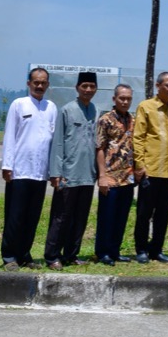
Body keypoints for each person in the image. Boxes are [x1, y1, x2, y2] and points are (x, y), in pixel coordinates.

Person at [0, 67, 57, 270]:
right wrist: (7, 165)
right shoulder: (19, 104)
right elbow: (9, 136)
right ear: (29, 84)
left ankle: (24, 254)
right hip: (19, 170)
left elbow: (53, 141)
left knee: (32, 217)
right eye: (36, 82)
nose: (39, 86)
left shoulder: (51, 108)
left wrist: (52, 171)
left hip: (40, 173)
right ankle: (9, 256)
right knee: (15, 216)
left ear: (48, 84)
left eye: (43, 83)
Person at [44, 71, 98, 269]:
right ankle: (52, 256)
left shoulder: (95, 110)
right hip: (68, 174)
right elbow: (58, 143)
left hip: (87, 175)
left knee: (80, 217)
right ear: (77, 88)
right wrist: (56, 173)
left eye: (92, 86)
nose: (88, 90)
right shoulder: (67, 110)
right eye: (84, 86)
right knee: (61, 217)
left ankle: (71, 254)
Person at [133, 71, 168, 263]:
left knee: (163, 214)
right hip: (150, 170)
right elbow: (139, 137)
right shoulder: (145, 107)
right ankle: (141, 249)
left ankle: (157, 249)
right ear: (158, 86)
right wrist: (139, 165)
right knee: (144, 213)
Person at [94, 83, 136, 266]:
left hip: (127, 178)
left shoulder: (132, 120)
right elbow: (100, 148)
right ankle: (103, 252)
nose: (125, 102)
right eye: (122, 98)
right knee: (107, 217)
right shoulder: (106, 120)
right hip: (110, 177)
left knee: (121, 217)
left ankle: (115, 250)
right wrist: (102, 176)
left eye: (128, 99)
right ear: (114, 99)